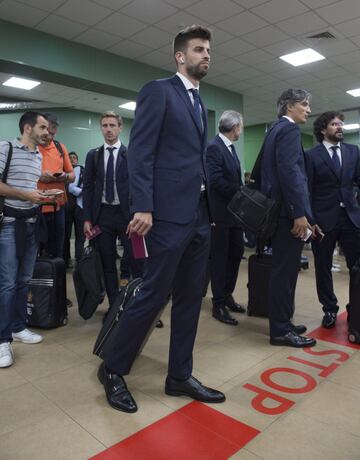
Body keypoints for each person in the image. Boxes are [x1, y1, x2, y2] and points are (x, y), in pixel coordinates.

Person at [96, 25, 225, 413]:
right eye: (199, 49)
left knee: (190, 297)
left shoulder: (200, 103)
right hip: (165, 217)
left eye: (208, 50)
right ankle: (114, 369)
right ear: (180, 57)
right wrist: (143, 206)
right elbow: (142, 152)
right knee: (153, 294)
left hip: (198, 216)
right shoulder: (159, 91)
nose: (206, 55)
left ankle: (179, 375)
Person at [260, 88, 318, 348]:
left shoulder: (273, 130)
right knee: (284, 274)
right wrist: (299, 213)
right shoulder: (290, 130)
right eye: (304, 104)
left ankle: (283, 321)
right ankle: (281, 330)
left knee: (283, 272)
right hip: (288, 214)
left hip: (278, 212)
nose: (308, 109)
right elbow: (291, 174)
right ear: (289, 107)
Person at [0, 111, 50, 368]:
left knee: (23, 280)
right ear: (28, 128)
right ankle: (1, 340)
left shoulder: (38, 156)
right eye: (42, 127)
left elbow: (30, 189)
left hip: (31, 223)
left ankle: (19, 328)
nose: (46, 132)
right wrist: (26, 195)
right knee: (7, 283)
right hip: (9, 225)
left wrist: (41, 194)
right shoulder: (6, 147)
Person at [305, 111, 360, 328]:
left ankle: (355, 308)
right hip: (322, 220)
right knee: (323, 267)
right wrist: (310, 219)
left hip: (351, 218)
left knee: (356, 267)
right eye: (334, 124)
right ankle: (329, 308)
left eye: (341, 124)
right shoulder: (311, 156)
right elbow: (306, 190)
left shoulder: (353, 151)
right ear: (322, 130)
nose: (340, 127)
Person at [82, 111, 143, 306]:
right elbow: (88, 188)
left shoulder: (131, 154)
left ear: (120, 127)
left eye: (112, 125)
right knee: (108, 262)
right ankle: (115, 306)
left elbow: (140, 186)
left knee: (137, 260)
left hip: (129, 217)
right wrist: (87, 219)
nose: (108, 129)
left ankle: (140, 305)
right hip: (103, 216)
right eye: (105, 126)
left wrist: (139, 214)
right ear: (101, 128)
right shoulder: (93, 155)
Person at [207, 110, 246, 326]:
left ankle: (228, 294)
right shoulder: (214, 147)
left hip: (234, 214)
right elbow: (215, 181)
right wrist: (240, 191)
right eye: (241, 127)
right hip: (220, 214)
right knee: (220, 259)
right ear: (235, 127)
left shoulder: (230, 148)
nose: (241, 130)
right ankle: (218, 303)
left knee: (236, 252)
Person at [37, 112, 75, 259]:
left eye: (54, 133)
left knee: (57, 249)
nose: (51, 137)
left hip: (58, 207)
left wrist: (64, 177)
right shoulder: (31, 147)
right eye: (48, 132)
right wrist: (39, 177)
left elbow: (72, 176)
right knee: (36, 250)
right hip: (36, 207)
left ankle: (56, 277)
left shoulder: (60, 147)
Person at [65, 152, 85, 266]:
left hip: (80, 206)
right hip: (67, 207)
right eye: (70, 158)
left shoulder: (81, 169)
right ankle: (67, 259)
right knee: (66, 235)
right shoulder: (65, 172)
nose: (72, 160)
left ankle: (79, 259)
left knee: (80, 235)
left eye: (74, 158)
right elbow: (72, 188)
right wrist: (83, 192)